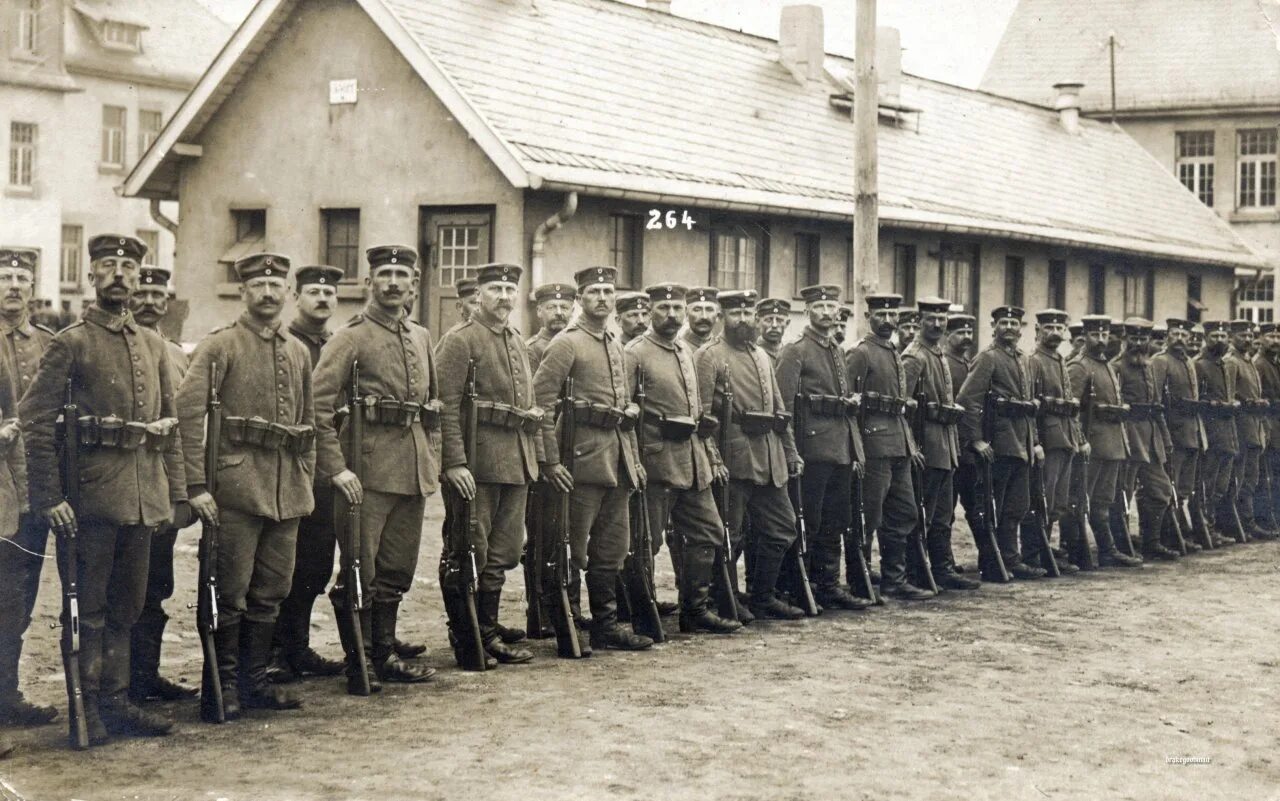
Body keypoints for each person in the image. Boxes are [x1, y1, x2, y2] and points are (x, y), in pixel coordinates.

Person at [21, 234, 186, 746]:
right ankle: (86, 706)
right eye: (108, 265)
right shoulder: (70, 342)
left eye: (128, 266)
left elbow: (169, 425)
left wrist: (176, 495)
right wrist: (50, 498)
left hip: (143, 499)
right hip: (89, 501)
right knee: (87, 611)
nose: (119, 273)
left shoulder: (154, 344)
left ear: (139, 278)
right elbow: (36, 422)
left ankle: (116, 703)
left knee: (128, 607)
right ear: (92, 276)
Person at [178, 253, 313, 719]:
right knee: (229, 592)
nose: (269, 293)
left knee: (272, 589)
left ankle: (256, 683)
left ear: (288, 295)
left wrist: (304, 478)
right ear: (243, 293)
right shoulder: (220, 347)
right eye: (259, 285)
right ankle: (222, 685)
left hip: (286, 492)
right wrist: (196, 484)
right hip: (234, 490)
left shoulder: (297, 351)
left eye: (277, 285)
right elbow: (188, 415)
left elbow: (307, 424)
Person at [313, 245, 440, 691]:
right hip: (365, 474)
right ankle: (360, 661)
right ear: (368, 283)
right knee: (358, 569)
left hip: (412, 468)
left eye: (400, 275)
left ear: (414, 283)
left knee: (396, 569)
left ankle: (384, 653)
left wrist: (433, 457)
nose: (392, 282)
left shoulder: (422, 337)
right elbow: (317, 408)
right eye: (383, 274)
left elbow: (432, 409)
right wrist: (336, 468)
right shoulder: (350, 337)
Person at [533, 266, 652, 652]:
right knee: (569, 548)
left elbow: (623, 411)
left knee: (611, 550)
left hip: (615, 463)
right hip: (579, 463)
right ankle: (566, 627)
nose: (602, 297)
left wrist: (632, 462)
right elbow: (541, 403)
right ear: (580, 299)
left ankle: (606, 625)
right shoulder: (567, 343)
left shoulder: (616, 346)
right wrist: (550, 462)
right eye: (594, 291)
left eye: (608, 291)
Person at [434, 263, 538, 665]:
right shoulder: (460, 341)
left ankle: (488, 632)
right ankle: (466, 636)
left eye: (511, 289)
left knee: (503, 552)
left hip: (515, 461)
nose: (505, 296)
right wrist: (454, 463)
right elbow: (444, 407)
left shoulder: (515, 339)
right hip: (476, 465)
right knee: (467, 549)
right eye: (495, 288)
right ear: (478, 295)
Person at [625, 282, 740, 634]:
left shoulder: (686, 353)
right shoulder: (635, 353)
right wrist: (634, 461)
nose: (671, 314)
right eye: (664, 308)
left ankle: (695, 610)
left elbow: (696, 413)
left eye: (677, 308)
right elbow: (626, 415)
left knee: (709, 530)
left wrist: (708, 454)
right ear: (650, 311)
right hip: (656, 463)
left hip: (692, 462)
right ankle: (639, 612)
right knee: (647, 541)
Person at [696, 291, 806, 619]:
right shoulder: (709, 356)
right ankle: (725, 599)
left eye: (747, 313)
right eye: (735, 313)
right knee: (730, 534)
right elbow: (702, 418)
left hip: (770, 456)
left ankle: (762, 596)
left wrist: (790, 452)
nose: (742, 319)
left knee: (783, 527)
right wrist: (713, 459)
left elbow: (779, 410)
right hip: (734, 457)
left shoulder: (761, 355)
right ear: (721, 317)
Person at [269, 265, 348, 683]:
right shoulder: (283, 343)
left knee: (315, 565)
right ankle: (272, 651)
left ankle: (296, 647)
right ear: (295, 297)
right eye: (314, 291)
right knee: (281, 565)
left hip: (325, 474)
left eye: (329, 293)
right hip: (285, 471)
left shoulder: (336, 344)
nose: (322, 299)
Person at [126, 267, 200, 704]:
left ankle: (145, 677)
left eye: (158, 294)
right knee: (122, 591)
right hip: (121, 487)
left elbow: (186, 428)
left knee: (157, 587)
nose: (150, 302)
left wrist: (183, 492)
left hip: (162, 487)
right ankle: (114, 686)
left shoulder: (176, 354)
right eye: (142, 292)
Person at [777, 284, 872, 609]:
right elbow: (784, 409)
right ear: (807, 311)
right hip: (812, 451)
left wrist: (856, 450)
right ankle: (795, 588)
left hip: (841, 450)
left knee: (836, 521)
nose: (826, 312)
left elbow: (845, 407)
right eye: (819, 307)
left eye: (831, 306)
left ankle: (827, 585)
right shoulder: (796, 351)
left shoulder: (835, 349)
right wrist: (791, 451)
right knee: (809, 523)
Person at [0, 247, 58, 730]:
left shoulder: (46, 343)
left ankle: (7, 695)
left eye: (21, 277)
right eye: (4, 276)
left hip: (34, 490)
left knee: (18, 596)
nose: (13, 285)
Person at [844, 293, 931, 600]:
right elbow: (850, 405)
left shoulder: (894, 351)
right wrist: (856, 449)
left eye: (892, 314)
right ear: (869, 317)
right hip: (873, 445)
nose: (887, 320)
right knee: (867, 517)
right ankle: (860, 582)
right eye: (880, 314)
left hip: (898, 444)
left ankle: (894, 579)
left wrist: (909, 444)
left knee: (904, 513)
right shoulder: (861, 352)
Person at [957, 306, 1047, 579]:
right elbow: (967, 400)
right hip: (998, 443)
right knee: (992, 506)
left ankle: (1010, 558)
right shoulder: (987, 358)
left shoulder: (1025, 360)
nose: (1009, 327)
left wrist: (1035, 442)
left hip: (1022, 442)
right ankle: (992, 561)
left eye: (1014, 323)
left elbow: (1029, 406)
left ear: (1022, 328)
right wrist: (975, 440)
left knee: (1017, 506)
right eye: (1004, 322)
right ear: (994, 326)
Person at [902, 297, 981, 590]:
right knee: (923, 512)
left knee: (942, 514)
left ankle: (941, 567)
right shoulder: (915, 356)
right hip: (927, 444)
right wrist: (911, 445)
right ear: (919, 321)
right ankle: (917, 571)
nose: (937, 324)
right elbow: (903, 406)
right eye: (931, 319)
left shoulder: (937, 354)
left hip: (946, 445)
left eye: (941, 319)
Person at [1067, 315, 1142, 567]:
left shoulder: (1107, 365)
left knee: (1103, 502)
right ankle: (1075, 552)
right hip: (1092, 445)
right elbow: (1072, 410)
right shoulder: (1079, 366)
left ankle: (1107, 551)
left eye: (1104, 335)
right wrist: (1079, 440)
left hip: (1112, 443)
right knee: (1080, 501)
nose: (1100, 340)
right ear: (1086, 336)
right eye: (1095, 335)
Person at [1112, 318, 1179, 561]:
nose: (1138, 344)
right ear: (1125, 340)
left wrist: (1165, 437)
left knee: (1161, 490)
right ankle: (1119, 546)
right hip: (1128, 436)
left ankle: (1151, 542)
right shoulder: (1116, 367)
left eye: (1143, 339)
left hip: (1151, 436)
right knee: (1122, 494)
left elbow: (1156, 405)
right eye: (1134, 339)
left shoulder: (1150, 367)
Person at [1023, 309, 1083, 573]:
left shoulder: (1059, 360)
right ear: (1037, 331)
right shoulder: (1034, 361)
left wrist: (1077, 438)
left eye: (1060, 329)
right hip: (1047, 439)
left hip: (1065, 437)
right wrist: (1035, 442)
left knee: (1057, 500)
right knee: (1042, 498)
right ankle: (1034, 553)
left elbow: (1070, 404)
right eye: (1049, 328)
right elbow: (1032, 407)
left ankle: (1047, 549)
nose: (1055, 333)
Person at [1152, 318, 1206, 554]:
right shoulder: (1161, 362)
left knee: (1183, 490)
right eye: (1175, 334)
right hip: (1173, 434)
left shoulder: (1189, 363)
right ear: (1167, 336)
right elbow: (1156, 401)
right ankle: (1167, 538)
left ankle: (1179, 534)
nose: (1180, 339)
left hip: (1191, 433)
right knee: (1169, 490)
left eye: (1184, 335)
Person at [1227, 320, 1276, 539]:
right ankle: (1240, 524)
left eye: (1249, 336)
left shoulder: (1248, 362)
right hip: (1242, 428)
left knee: (1251, 478)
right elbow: (1230, 396)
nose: (1247, 340)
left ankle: (1248, 522)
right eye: (1241, 336)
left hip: (1257, 428)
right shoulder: (1234, 363)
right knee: (1239, 479)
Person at [1196, 321, 1241, 547]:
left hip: (1228, 433)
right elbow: (1197, 400)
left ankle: (1214, 526)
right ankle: (1206, 528)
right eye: (1215, 335)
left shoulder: (1226, 365)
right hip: (1211, 433)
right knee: (1209, 484)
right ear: (1206, 337)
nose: (1220, 340)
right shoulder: (1199, 365)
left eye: (1223, 335)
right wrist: (1217, 405)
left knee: (1221, 486)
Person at [1253, 322, 1280, 530]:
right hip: (1268, 426)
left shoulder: (1274, 363)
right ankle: (1266, 519)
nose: (1275, 341)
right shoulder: (1258, 364)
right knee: (1266, 475)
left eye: (1278, 338)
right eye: (1270, 337)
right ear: (1260, 339)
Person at [526, 283, 575, 370]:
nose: (559, 313)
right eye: (551, 307)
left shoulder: (577, 344)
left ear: (572, 312)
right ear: (539, 311)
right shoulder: (531, 349)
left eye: (564, 307)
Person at [681, 287, 720, 351]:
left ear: (717, 316)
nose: (704, 316)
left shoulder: (721, 349)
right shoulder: (679, 347)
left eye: (709, 310)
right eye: (697, 310)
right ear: (686, 315)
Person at [756, 298, 790, 364]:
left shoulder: (791, 353)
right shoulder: (751, 352)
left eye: (779, 320)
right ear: (757, 322)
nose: (774, 325)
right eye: (768, 320)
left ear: (787, 323)